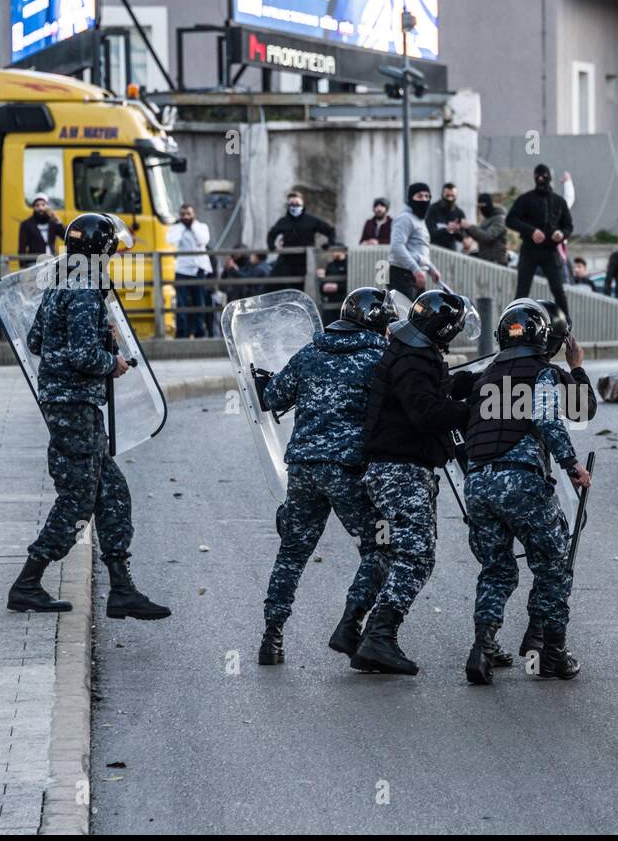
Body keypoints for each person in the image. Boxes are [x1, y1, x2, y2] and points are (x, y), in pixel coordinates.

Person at [6, 213, 170, 621]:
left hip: (72, 405)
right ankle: (27, 583)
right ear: (102, 249)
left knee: (112, 492)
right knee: (78, 499)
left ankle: (122, 589)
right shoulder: (82, 289)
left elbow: (37, 340)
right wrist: (109, 361)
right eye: (113, 249)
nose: (116, 255)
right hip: (74, 407)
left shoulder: (62, 282)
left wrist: (95, 342)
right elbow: (81, 355)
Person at [253, 287, 395, 665]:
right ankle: (351, 625)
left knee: (292, 553)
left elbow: (273, 397)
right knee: (379, 546)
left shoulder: (311, 352)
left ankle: (272, 636)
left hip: (302, 468)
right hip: (349, 470)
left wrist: (262, 379)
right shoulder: (380, 358)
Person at [461, 300, 592, 684]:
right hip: (520, 481)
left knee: (496, 569)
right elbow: (552, 417)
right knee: (553, 564)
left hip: (478, 483)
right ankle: (551, 653)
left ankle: (482, 649)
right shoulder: (543, 373)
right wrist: (573, 465)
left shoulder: (484, 377)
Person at [355, 290, 477, 675]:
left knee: (399, 553)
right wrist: (470, 412)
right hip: (401, 470)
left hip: (392, 468)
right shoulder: (414, 359)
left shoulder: (410, 351)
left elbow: (423, 394)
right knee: (417, 556)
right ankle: (380, 638)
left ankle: (371, 636)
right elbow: (424, 412)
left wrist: (462, 385)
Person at [507, 164, 574, 315]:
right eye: (538, 176)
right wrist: (531, 231)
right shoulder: (526, 199)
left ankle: (566, 327)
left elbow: (568, 226)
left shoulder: (559, 202)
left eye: (544, 176)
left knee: (558, 290)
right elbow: (510, 220)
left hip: (551, 252)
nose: (541, 179)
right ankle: (515, 325)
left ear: (549, 177)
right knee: (522, 291)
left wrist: (561, 234)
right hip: (529, 250)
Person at [266, 190, 336, 287]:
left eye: (297, 204)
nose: (294, 206)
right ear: (288, 205)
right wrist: (271, 245)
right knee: (276, 284)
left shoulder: (311, 221)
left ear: (302, 204)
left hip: (305, 261)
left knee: (304, 286)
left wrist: (329, 243)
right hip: (287, 261)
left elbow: (330, 231)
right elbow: (271, 234)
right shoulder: (283, 221)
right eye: (291, 204)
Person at [388, 182, 440, 298]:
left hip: (416, 275)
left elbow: (419, 250)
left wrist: (432, 269)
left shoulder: (419, 220)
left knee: (420, 313)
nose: (424, 199)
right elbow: (397, 247)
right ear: (411, 198)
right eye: (419, 196)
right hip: (403, 276)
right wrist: (415, 270)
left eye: (427, 196)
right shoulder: (405, 219)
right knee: (405, 313)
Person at [168, 203, 212, 339]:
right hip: (182, 270)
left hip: (198, 270)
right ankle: (182, 333)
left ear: (194, 215)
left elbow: (202, 240)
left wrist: (192, 226)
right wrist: (182, 226)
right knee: (181, 305)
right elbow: (171, 240)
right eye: (183, 214)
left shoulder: (201, 227)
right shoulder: (176, 228)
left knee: (200, 304)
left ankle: (200, 333)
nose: (186, 217)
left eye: (188, 214)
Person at [17, 193, 66, 267]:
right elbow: (22, 248)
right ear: (33, 207)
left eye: (43, 205)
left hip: (51, 262)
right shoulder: (26, 224)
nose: (40, 208)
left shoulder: (53, 223)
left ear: (47, 206)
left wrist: (59, 222)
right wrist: (23, 267)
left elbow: (64, 236)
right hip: (34, 263)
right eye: (37, 205)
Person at [462, 193, 508, 265]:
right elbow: (479, 237)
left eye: (483, 206)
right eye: (479, 206)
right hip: (486, 260)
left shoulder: (499, 219)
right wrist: (465, 228)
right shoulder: (487, 219)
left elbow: (487, 236)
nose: (481, 209)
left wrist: (470, 227)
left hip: (496, 261)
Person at [425, 182, 465, 252]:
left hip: (451, 251)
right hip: (434, 250)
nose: (450, 199)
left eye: (452, 196)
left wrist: (456, 230)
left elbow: (463, 237)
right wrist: (446, 229)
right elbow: (429, 232)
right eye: (447, 196)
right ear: (442, 195)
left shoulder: (459, 213)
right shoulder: (433, 209)